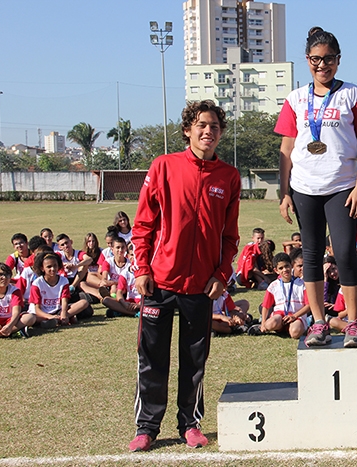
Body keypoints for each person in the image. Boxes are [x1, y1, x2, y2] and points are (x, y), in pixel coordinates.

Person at [129, 100, 240, 452]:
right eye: (202, 125)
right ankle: (147, 427)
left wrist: (221, 274)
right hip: (159, 281)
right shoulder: (164, 166)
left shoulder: (229, 177)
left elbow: (229, 235)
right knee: (152, 357)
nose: (209, 132)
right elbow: (144, 223)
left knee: (194, 359)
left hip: (201, 285)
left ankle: (190, 423)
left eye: (215, 127)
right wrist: (143, 268)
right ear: (188, 129)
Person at [275, 26, 357, 348]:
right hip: (304, 187)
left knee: (345, 253)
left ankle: (354, 322)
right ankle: (318, 323)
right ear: (307, 60)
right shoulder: (296, 99)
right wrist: (284, 192)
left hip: (342, 185)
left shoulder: (352, 95)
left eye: (328, 59)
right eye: (316, 60)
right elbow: (286, 149)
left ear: (338, 60)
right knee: (312, 255)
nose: (322, 65)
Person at [255, 253, 310, 339]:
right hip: (280, 315)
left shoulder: (302, 284)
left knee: (295, 334)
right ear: (276, 270)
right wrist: (263, 324)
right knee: (269, 325)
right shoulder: (273, 285)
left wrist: (294, 316)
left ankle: (299, 328)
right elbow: (266, 306)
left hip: (296, 315)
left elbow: (309, 305)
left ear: (291, 265)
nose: (285, 270)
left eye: (286, 266)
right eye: (281, 268)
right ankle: (281, 327)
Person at [29, 252, 91, 328]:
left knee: (84, 303)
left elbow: (64, 301)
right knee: (31, 318)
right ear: (42, 268)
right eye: (49, 267)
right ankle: (52, 320)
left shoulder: (63, 280)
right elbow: (37, 309)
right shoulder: (37, 283)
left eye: (55, 266)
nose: (53, 269)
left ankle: (58, 319)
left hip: (58, 310)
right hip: (41, 313)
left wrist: (64, 313)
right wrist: (49, 316)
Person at [0, 263, 35, 341]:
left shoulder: (15, 291)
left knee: (30, 317)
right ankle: (12, 332)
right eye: (0, 275)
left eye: (7, 275)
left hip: (10, 321)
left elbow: (16, 313)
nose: (4, 277)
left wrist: (9, 326)